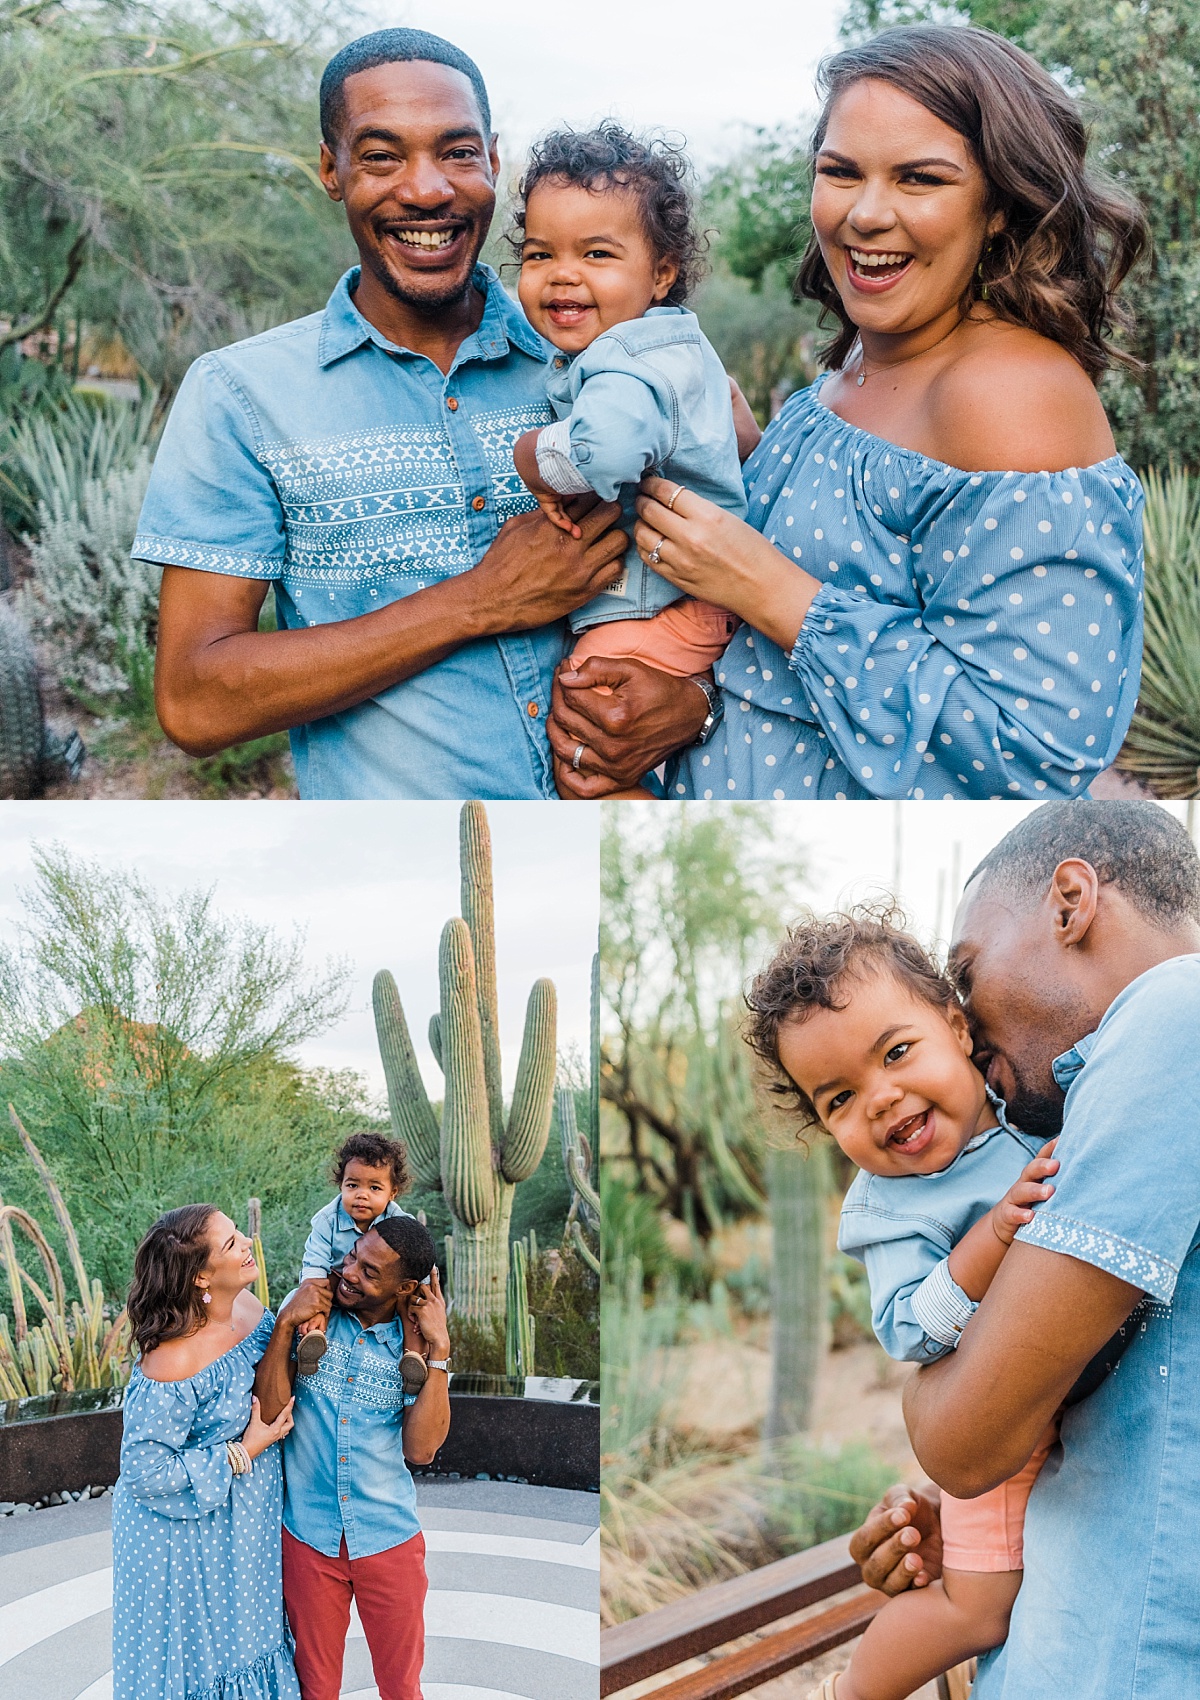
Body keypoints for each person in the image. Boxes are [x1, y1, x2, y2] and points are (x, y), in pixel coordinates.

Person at [551, 25, 1149, 801]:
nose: (866, 214)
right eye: (841, 171)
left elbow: (1036, 750)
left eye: (919, 179)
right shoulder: (864, 359)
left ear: (999, 205)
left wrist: (763, 584)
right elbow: (841, 596)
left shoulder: (1007, 395)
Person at [140, 27, 705, 799]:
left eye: (457, 152)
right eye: (380, 156)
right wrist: (477, 602)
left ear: (493, 163)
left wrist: (695, 704)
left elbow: (739, 543)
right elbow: (193, 701)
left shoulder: (609, 357)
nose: (428, 189)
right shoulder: (240, 396)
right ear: (330, 171)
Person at [846, 800, 1200, 1698]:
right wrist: (985, 1519)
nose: (959, 1017)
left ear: (1071, 901)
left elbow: (959, 1438)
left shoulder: (1174, 1013)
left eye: (965, 974)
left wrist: (958, 1428)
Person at [744, 907, 1060, 1699]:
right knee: (978, 1611)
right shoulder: (891, 1208)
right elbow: (910, 1330)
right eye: (840, 1098)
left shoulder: (1033, 1112)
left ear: (957, 1026)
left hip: (1071, 1411)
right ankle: (852, 1691)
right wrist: (990, 1240)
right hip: (999, 1437)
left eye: (895, 1052)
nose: (880, 1098)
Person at [511, 122, 750, 798]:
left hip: (658, 604)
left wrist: (533, 457)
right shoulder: (673, 346)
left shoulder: (623, 359)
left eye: (596, 253)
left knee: (582, 738)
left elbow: (604, 451)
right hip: (692, 601)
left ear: (662, 273)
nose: (563, 274)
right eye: (538, 254)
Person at [254, 1213, 452, 1700]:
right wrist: (284, 1324)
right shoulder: (309, 1317)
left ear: (405, 1287)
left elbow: (422, 1449)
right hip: (309, 1539)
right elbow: (272, 1413)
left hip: (388, 1541)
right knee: (316, 1690)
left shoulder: (414, 1345)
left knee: (401, 1688)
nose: (349, 1272)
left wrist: (441, 1349)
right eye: (352, 1257)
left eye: (369, 1272)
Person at [112, 1205, 299, 1700]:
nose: (245, 1245)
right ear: (201, 1277)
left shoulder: (248, 1307)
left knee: (250, 1641)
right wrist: (244, 1450)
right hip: (183, 1534)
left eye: (238, 1233)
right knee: (206, 1657)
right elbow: (144, 1473)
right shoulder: (172, 1359)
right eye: (230, 1243)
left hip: (243, 1520)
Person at [294, 1131, 422, 1382]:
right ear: (341, 1184)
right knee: (316, 1290)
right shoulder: (327, 1220)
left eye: (374, 1187)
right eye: (352, 1185)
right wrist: (311, 1298)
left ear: (392, 1192)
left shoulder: (400, 1222)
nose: (361, 1195)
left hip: (379, 1291)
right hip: (337, 1281)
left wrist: (426, 1296)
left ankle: (414, 1358)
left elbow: (418, 1259)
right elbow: (314, 1263)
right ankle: (312, 1341)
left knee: (410, 1301)